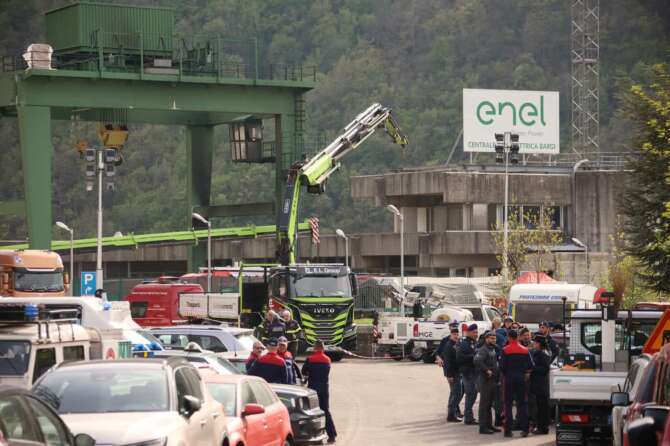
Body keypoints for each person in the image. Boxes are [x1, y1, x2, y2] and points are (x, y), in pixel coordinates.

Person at [500, 329, 533, 438]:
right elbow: (531, 365)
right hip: (521, 379)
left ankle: (508, 430)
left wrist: (507, 374)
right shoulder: (525, 350)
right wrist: (526, 373)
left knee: (508, 404)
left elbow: (502, 367)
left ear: (509, 337)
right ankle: (525, 429)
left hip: (508, 379)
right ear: (518, 337)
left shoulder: (505, 350)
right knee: (522, 404)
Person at [302, 340, 337, 444]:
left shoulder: (310, 359)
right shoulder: (327, 360)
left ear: (314, 348)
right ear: (323, 348)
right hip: (324, 388)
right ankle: (332, 435)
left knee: (312, 413)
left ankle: (316, 436)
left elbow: (304, 371)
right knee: (326, 411)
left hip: (313, 387)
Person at [474, 331, 501, 434]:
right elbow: (477, 361)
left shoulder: (492, 349)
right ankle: (483, 427)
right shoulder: (483, 349)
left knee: (489, 404)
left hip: (492, 380)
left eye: (495, 338)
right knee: (484, 405)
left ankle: (489, 425)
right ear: (486, 339)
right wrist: (486, 370)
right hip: (485, 380)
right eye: (491, 338)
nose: (494, 340)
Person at [436, 325, 463, 422]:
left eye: (457, 334)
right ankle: (451, 414)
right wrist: (449, 375)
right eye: (454, 334)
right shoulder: (448, 345)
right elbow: (447, 362)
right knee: (456, 393)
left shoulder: (457, 343)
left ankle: (453, 412)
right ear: (450, 334)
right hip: (452, 373)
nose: (456, 335)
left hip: (457, 372)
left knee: (455, 393)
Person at [457, 323, 479, 425]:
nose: (476, 334)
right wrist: (474, 356)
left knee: (473, 394)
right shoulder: (464, 343)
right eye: (474, 332)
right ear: (469, 333)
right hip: (467, 372)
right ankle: (468, 418)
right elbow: (460, 358)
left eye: (477, 332)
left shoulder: (473, 342)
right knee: (470, 394)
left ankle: (468, 416)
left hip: (473, 372)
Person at [530, 335, 551, 435]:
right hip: (539, 384)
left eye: (535, 342)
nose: (533, 344)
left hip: (540, 384)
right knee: (540, 406)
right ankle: (541, 426)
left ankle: (542, 428)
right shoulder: (540, 352)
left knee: (541, 407)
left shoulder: (542, 354)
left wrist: (532, 369)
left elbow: (545, 368)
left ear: (539, 344)